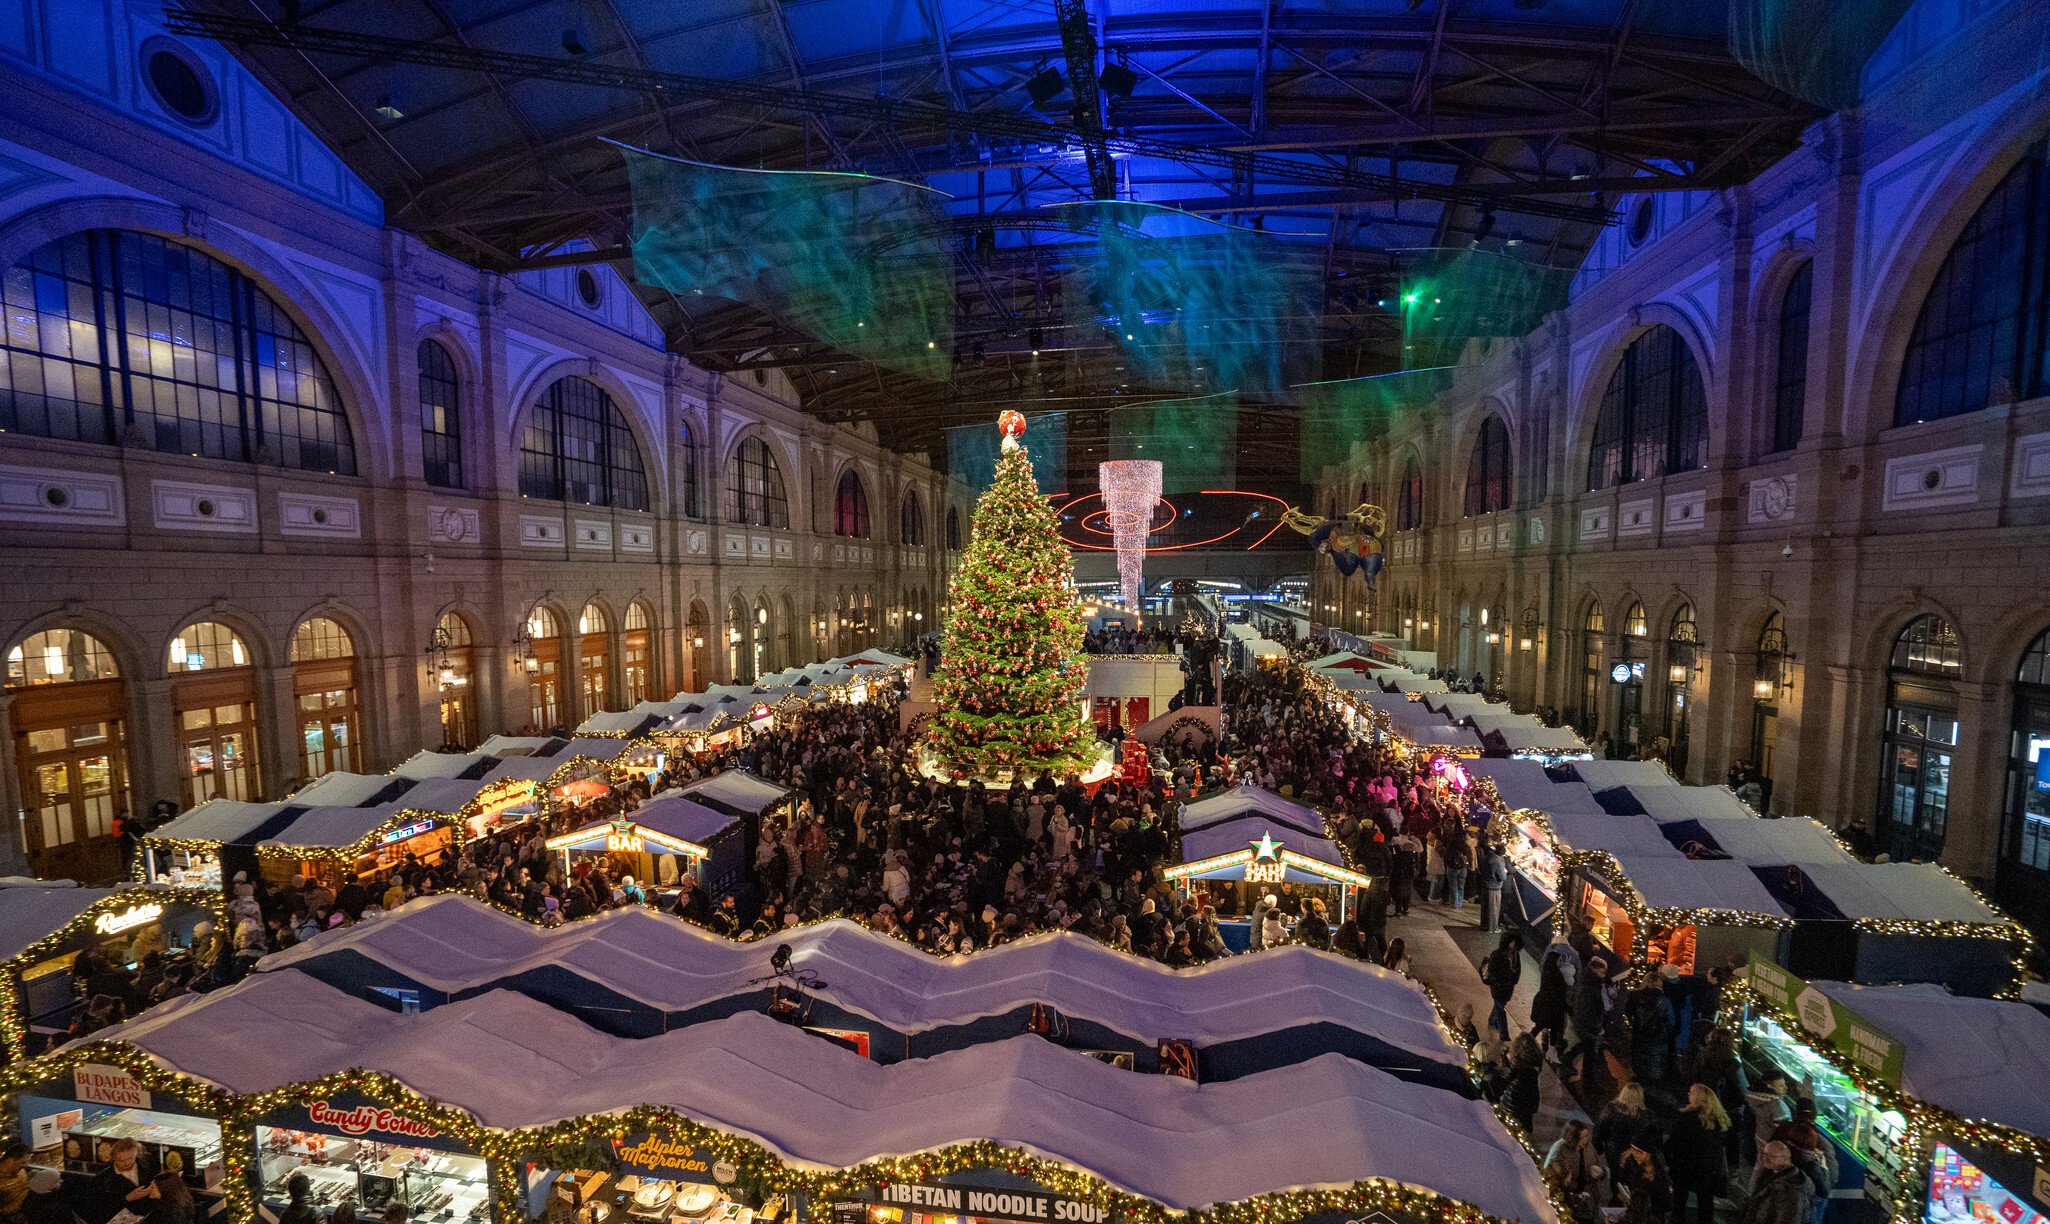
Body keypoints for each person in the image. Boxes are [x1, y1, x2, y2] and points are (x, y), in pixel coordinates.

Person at [1667, 1083, 1731, 1224]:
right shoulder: (1718, 1121)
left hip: (1684, 1166)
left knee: (1679, 1202)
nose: (1688, 1094)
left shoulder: (1685, 1118)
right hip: (1707, 1170)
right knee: (1706, 1203)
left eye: (1691, 1092)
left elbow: (1673, 1142)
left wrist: (1666, 1158)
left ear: (1698, 1098)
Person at [87, 1140, 158, 1224]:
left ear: (136, 1154)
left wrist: (157, 1190)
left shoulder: (147, 1161)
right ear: (113, 1158)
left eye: (130, 1158)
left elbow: (159, 1179)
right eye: (121, 1161)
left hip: (151, 1216)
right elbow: (98, 1211)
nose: (127, 1163)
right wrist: (127, 1198)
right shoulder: (101, 1180)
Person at [1741, 1142, 1814, 1224]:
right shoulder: (1773, 1172)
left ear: (1784, 1159)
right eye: (1764, 1154)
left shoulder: (1791, 1191)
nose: (1765, 1158)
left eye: (1771, 1156)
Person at [1479, 931, 1523, 1041]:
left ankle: (1492, 1021)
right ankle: (1504, 1034)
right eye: (1512, 941)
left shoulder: (1515, 954)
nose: (1514, 944)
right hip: (1499, 987)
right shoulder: (1497, 954)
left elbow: (1517, 969)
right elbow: (1493, 971)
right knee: (1500, 1008)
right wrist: (1500, 982)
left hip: (1508, 987)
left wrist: (1513, 981)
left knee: (1500, 1005)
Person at [1479, 841, 1509, 933]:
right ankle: (1492, 928)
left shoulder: (1487, 857)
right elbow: (1502, 877)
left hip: (1485, 885)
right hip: (1494, 887)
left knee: (1485, 908)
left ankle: (1484, 925)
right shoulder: (1498, 862)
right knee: (1493, 909)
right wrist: (1505, 871)